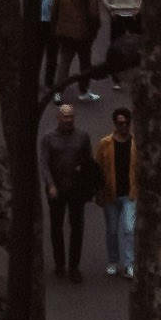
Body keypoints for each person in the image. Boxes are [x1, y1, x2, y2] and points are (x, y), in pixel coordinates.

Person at [37, 89, 95, 278]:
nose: (68, 120)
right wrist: (50, 185)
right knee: (56, 226)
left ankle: (74, 266)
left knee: (77, 227)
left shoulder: (82, 137)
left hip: (76, 188)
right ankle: (60, 263)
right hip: (56, 187)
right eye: (65, 117)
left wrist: (86, 180)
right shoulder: (48, 138)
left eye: (71, 116)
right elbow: (44, 163)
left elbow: (88, 160)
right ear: (58, 118)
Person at [94, 103, 139, 282]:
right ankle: (113, 260)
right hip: (110, 194)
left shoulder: (136, 144)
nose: (124, 126)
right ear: (115, 124)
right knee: (112, 230)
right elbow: (97, 168)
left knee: (128, 229)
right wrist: (98, 192)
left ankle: (129, 264)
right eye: (120, 123)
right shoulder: (105, 144)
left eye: (127, 123)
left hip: (130, 193)